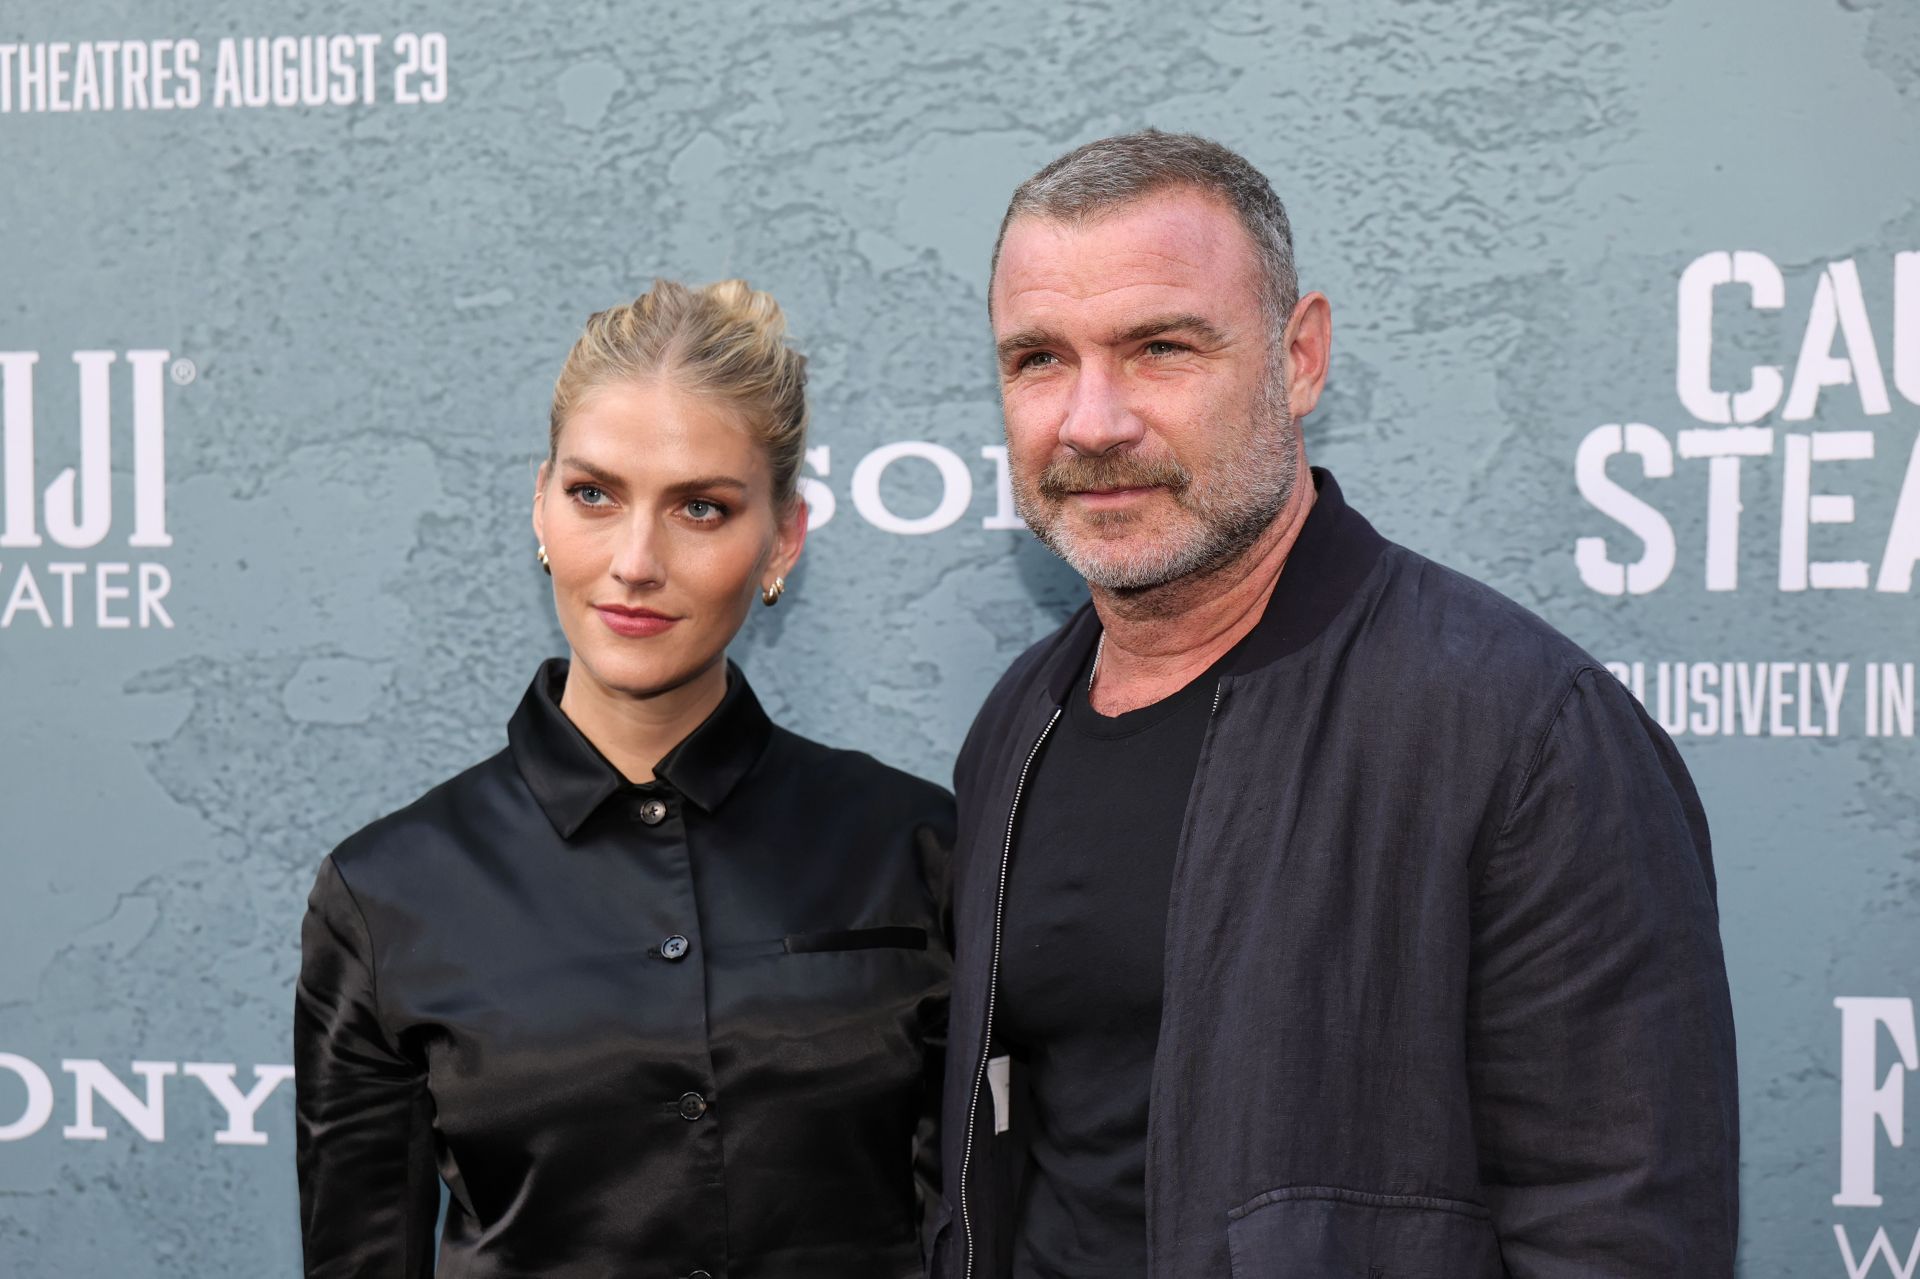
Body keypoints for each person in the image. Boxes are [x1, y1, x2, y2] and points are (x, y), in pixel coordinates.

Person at [934, 132, 1739, 1278]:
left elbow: (1620, 1229)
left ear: (1300, 357)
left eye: (1159, 347)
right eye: (1038, 360)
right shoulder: (1019, 728)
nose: (1093, 421)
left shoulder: (1525, 731)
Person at [295, 279, 953, 1279]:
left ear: (782, 540)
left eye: (700, 506)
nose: (635, 562)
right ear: (540, 509)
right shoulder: (388, 894)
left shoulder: (917, 848)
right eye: (594, 494)